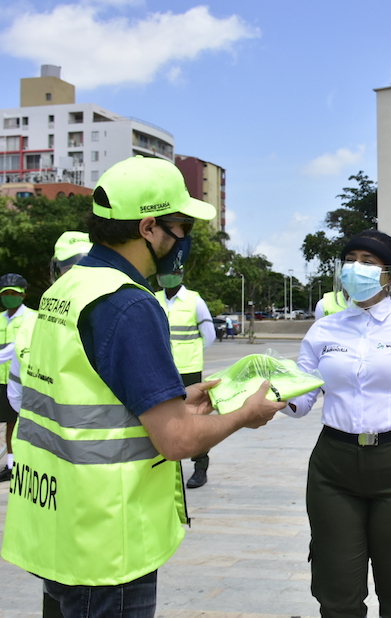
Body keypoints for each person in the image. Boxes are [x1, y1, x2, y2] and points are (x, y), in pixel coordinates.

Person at [1, 156, 285, 617]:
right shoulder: (129, 303)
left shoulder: (66, 288)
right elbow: (176, 441)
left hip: (57, 524)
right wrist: (244, 415)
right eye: (182, 228)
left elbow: (87, 397)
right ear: (150, 227)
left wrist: (172, 400)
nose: (185, 241)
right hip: (106, 540)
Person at [284, 229, 391, 618]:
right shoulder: (324, 330)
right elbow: (300, 403)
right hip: (335, 467)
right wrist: (265, 390)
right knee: (336, 592)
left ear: (390, 275)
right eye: (350, 260)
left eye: (368, 261)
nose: (355, 269)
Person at [7, 231, 92, 618]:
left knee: (54, 568)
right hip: (85, 471)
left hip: (41, 467)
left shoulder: (32, 325)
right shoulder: (101, 320)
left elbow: (17, 396)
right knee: (71, 568)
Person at [155, 269, 217, 489]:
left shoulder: (195, 301)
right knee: (160, 416)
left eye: (173, 270)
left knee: (195, 418)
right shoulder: (153, 299)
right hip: (161, 369)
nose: (167, 275)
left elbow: (209, 335)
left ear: (181, 274)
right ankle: (163, 468)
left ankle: (200, 468)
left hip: (189, 368)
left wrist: (193, 355)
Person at [0, 273, 35, 483]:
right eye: (6, 293)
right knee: (8, 422)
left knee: (20, 422)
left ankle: (20, 463)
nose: (10, 297)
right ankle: (11, 464)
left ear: (23, 295)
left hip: (22, 380)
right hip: (1, 380)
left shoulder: (32, 318)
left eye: (14, 293)